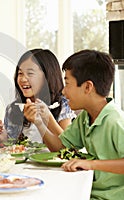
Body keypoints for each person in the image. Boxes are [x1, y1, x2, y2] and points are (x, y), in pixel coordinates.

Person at [33, 50, 124, 200]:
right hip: (89, 192)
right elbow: (61, 147)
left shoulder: (115, 121)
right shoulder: (85, 118)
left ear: (88, 87)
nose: (63, 91)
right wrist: (39, 123)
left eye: (67, 83)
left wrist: (91, 164)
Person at [0, 49, 75, 144]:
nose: (22, 79)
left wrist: (47, 118)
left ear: (47, 76)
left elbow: (68, 145)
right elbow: (13, 149)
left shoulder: (63, 104)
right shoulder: (12, 108)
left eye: (30, 73)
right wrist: (3, 137)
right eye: (20, 73)